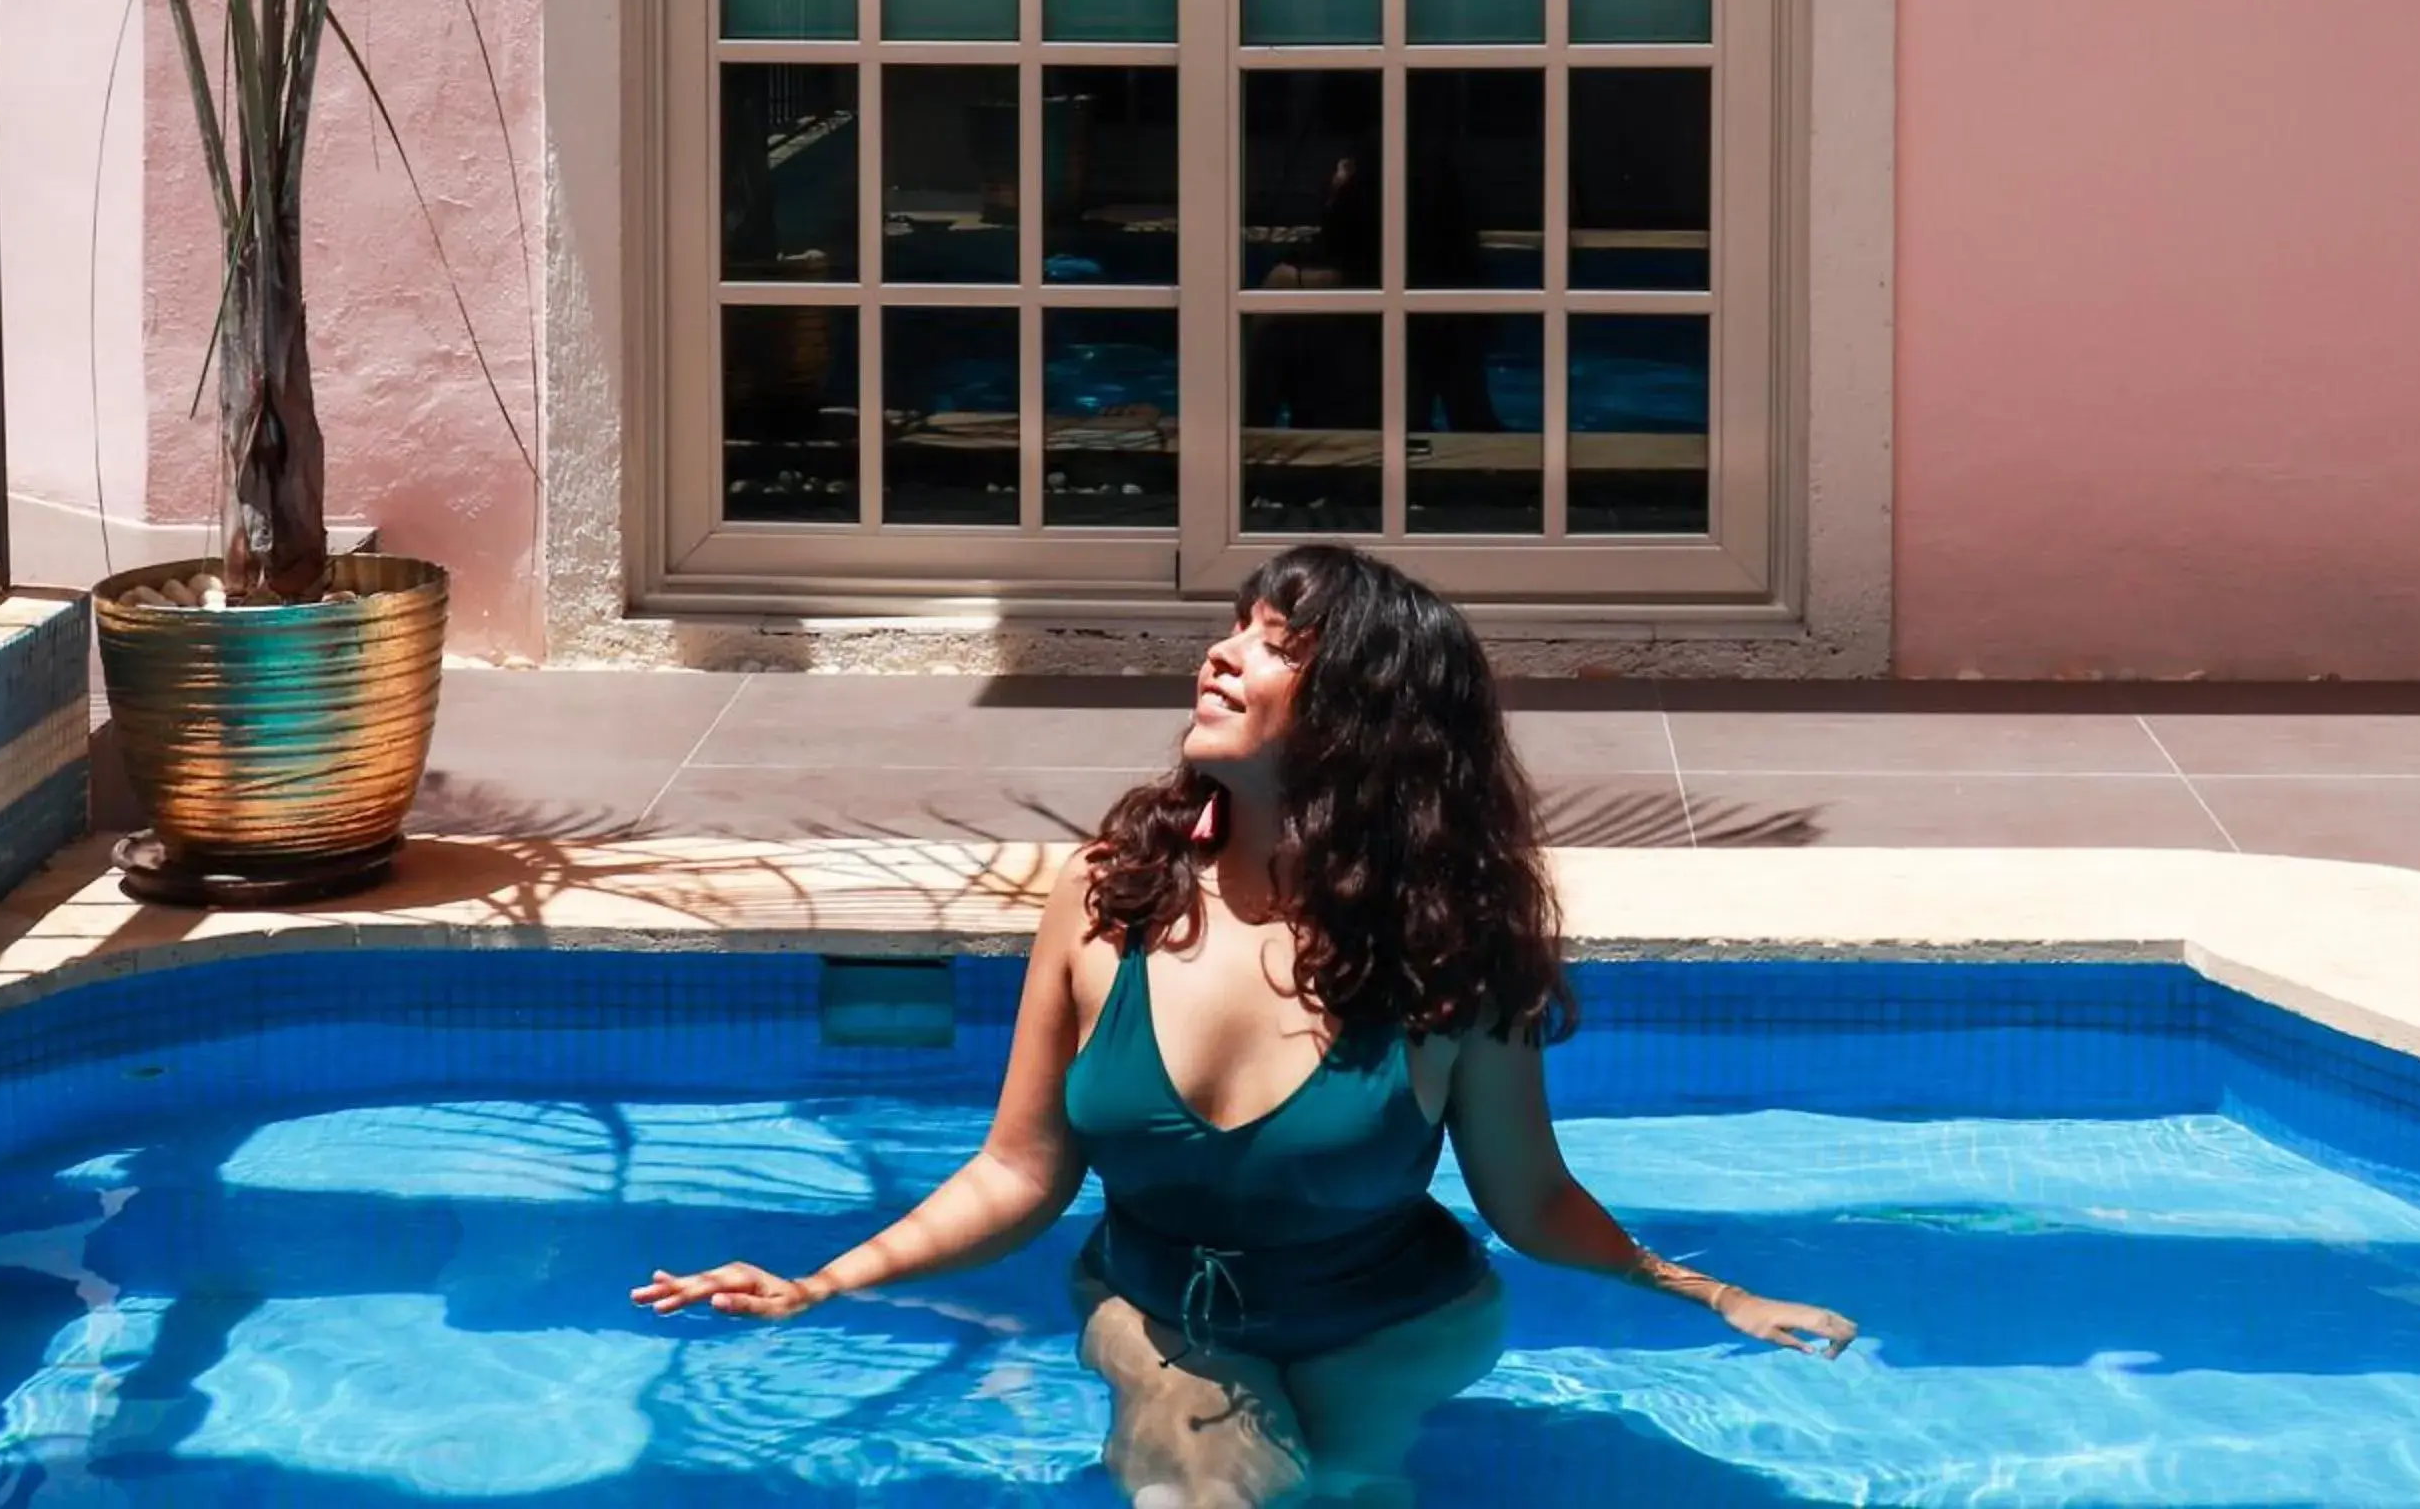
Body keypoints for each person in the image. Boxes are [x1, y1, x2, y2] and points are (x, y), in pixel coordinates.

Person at [634, 542, 1856, 1507]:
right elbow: (1018, 1171)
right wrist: (821, 1282)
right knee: (1203, 1494)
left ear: (1363, 724)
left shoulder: (1449, 953)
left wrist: (1703, 1292)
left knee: (1347, 1489)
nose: (1219, 657)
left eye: (1275, 648)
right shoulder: (1109, 896)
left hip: (1397, 1326)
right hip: (1164, 1313)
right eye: (1235, 628)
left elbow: (1529, 1198)